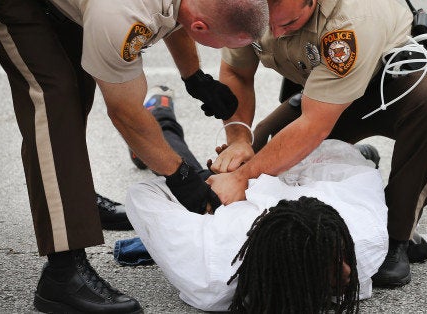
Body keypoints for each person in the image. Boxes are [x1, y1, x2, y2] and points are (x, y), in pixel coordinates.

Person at [0, 0, 268, 312]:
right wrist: (180, 177)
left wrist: (193, 76)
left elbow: (182, 15)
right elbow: (126, 113)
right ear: (203, 29)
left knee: (77, 86)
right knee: (53, 97)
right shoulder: (121, 15)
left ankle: (73, 202)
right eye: (222, 44)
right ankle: (62, 274)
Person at [206, 0, 427, 288]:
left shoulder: (352, 19)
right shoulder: (249, 7)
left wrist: (242, 175)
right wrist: (239, 139)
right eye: (266, 26)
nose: (275, 35)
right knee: (265, 152)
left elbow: (313, 125)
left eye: (288, 25)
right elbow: (237, 73)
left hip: (394, 84)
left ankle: (397, 236)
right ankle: (353, 162)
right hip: (323, 89)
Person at [123, 86, 388, 311]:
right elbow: (344, 160)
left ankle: (159, 114)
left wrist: (195, 187)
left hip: (216, 214)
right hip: (298, 176)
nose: (348, 271)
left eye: (336, 258)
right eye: (333, 260)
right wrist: (257, 173)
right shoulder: (366, 240)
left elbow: (143, 194)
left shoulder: (207, 275)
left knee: (181, 167)